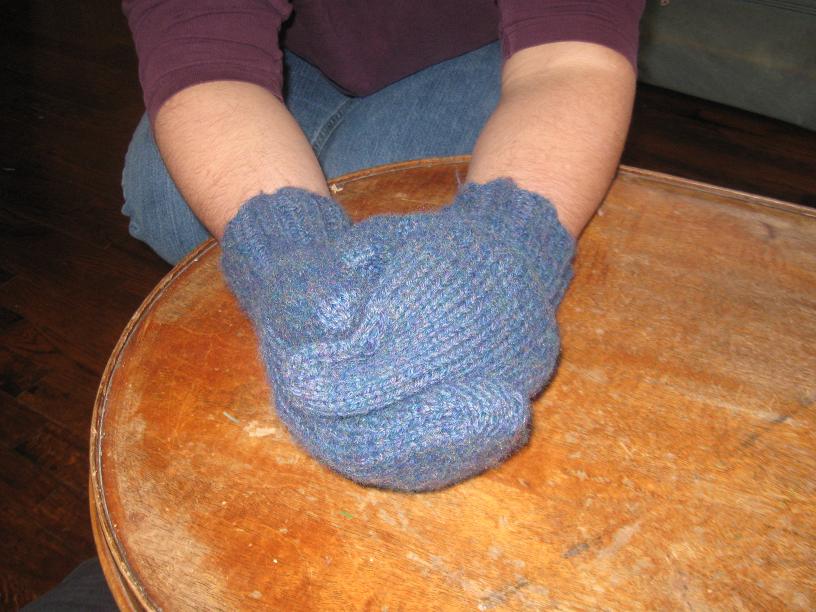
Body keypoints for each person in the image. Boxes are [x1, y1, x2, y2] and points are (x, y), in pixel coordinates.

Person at [25, 1, 644, 608]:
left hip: (480, 48)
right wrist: (286, 255)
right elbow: (205, 60)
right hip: (292, 50)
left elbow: (570, 59)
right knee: (163, 192)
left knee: (390, 190)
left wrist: (508, 245)